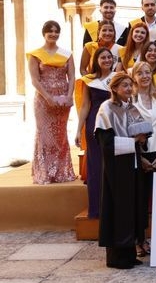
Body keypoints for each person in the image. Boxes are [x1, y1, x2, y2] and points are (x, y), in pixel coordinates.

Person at [94, 72, 150, 269]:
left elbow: (144, 132)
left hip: (133, 163)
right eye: (124, 85)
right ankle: (117, 256)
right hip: (117, 167)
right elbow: (106, 144)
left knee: (132, 207)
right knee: (118, 208)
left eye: (130, 85)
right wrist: (133, 140)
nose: (128, 89)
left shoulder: (131, 107)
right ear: (115, 88)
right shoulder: (106, 109)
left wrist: (143, 138)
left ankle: (129, 251)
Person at [27, 20, 76, 184]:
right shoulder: (35, 54)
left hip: (62, 101)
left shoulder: (66, 54)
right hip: (43, 101)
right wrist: (48, 97)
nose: (53, 34)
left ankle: (62, 172)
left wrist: (69, 97)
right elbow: (35, 80)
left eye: (56, 31)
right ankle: (45, 173)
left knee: (60, 134)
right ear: (44, 33)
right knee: (45, 135)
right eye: (50, 31)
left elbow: (72, 77)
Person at [131, 61, 156, 258]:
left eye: (148, 72)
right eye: (141, 73)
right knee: (139, 199)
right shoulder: (130, 99)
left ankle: (153, 238)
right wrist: (141, 157)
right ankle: (138, 239)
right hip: (138, 155)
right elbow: (128, 130)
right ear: (134, 76)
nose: (145, 76)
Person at [74, 48, 115, 218]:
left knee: (113, 165)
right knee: (96, 165)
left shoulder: (118, 77)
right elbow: (84, 106)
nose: (106, 60)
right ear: (96, 60)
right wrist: (78, 129)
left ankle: (112, 207)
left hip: (113, 123)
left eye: (109, 57)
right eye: (102, 57)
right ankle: (97, 209)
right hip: (93, 124)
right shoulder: (89, 81)